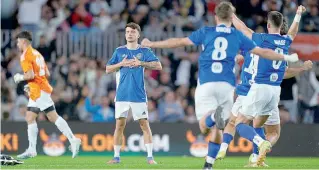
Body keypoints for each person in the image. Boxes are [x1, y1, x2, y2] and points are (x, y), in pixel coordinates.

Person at [141, 2, 298, 169]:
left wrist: (152, 44)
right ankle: (210, 162)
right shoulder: (238, 37)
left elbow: (179, 41)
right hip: (228, 87)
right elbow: (263, 52)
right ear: (230, 17)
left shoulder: (206, 32)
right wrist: (287, 59)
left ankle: (214, 125)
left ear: (215, 17)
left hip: (207, 84)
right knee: (227, 124)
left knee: (206, 126)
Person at [217, 6, 312, 167]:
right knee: (273, 131)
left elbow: (242, 28)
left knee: (239, 123)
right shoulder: (286, 41)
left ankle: (260, 143)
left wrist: (231, 15)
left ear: (268, 25)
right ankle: (256, 158)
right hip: (275, 91)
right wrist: (298, 15)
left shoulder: (261, 39)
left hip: (259, 87)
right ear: (281, 25)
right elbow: (293, 32)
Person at [13, 31, 81, 159]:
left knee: (52, 116)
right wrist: (31, 84)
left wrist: (20, 77)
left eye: (18, 41)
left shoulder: (25, 56)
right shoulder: (37, 54)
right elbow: (46, 72)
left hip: (38, 90)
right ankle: (32, 149)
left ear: (23, 41)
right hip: (38, 88)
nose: (17, 44)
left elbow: (30, 75)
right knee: (30, 117)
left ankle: (73, 139)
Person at [105, 22, 162, 164]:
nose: (129, 34)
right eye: (127, 32)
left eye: (132, 32)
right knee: (119, 125)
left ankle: (150, 157)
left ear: (138, 34)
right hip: (122, 95)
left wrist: (141, 63)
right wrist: (120, 64)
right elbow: (107, 69)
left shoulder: (144, 51)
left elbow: (158, 65)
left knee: (144, 124)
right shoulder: (119, 51)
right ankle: (116, 157)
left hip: (138, 95)